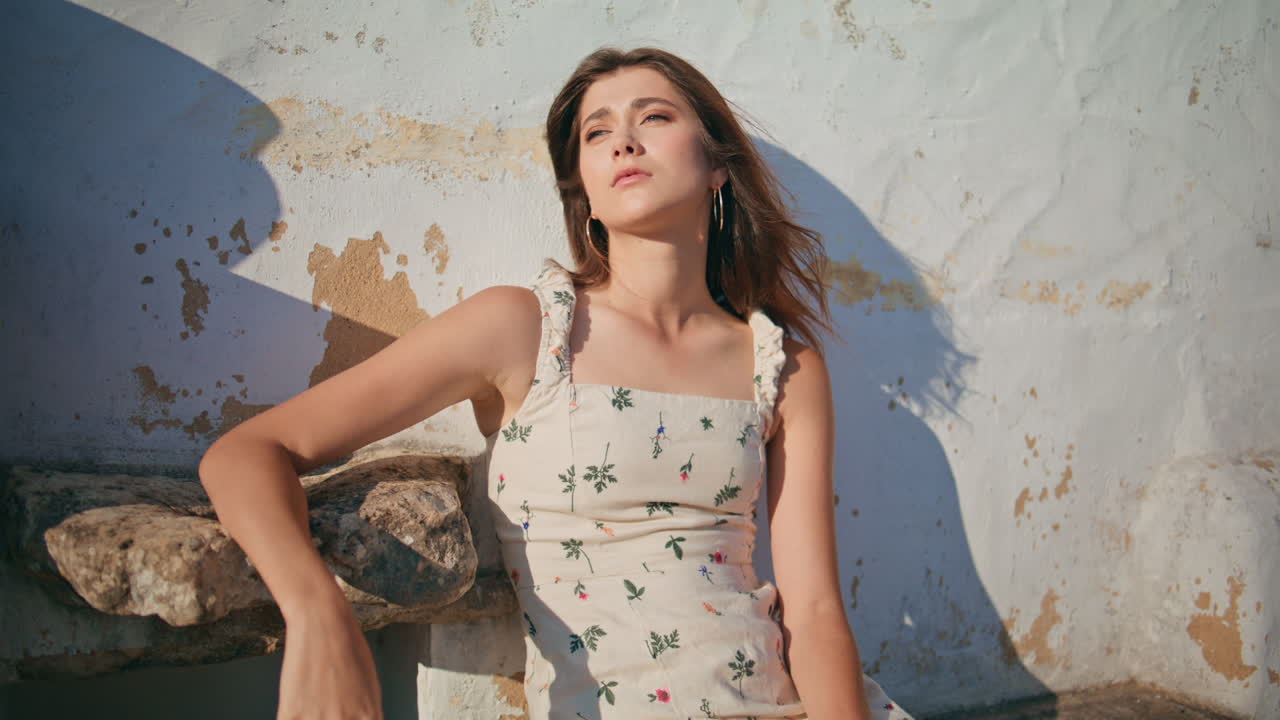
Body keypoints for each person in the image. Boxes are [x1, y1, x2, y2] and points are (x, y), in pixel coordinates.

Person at [199, 46, 912, 720]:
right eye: (598, 133)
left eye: (654, 117)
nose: (624, 142)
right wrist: (318, 616)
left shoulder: (783, 367)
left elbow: (816, 614)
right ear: (585, 195)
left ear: (716, 167)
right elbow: (246, 454)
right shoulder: (524, 328)